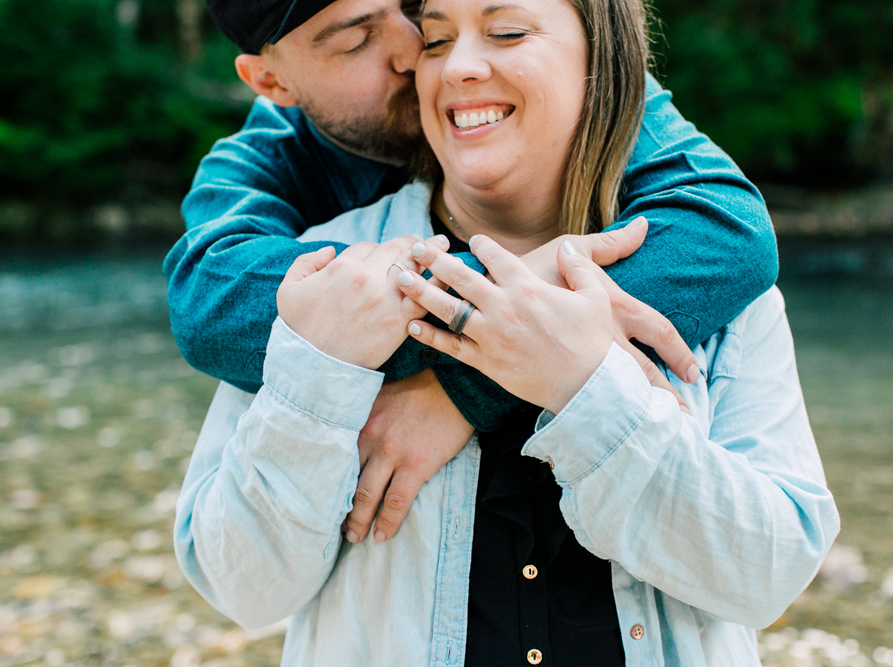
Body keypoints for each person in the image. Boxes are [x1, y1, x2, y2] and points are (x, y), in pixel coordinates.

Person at [174, 0, 840, 664]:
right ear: (272, 83)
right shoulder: (324, 275)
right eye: (435, 37)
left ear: (600, 61)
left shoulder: (699, 267)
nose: (426, 59)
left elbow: (772, 576)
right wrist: (331, 365)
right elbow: (240, 586)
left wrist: (509, 379)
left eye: (508, 32)